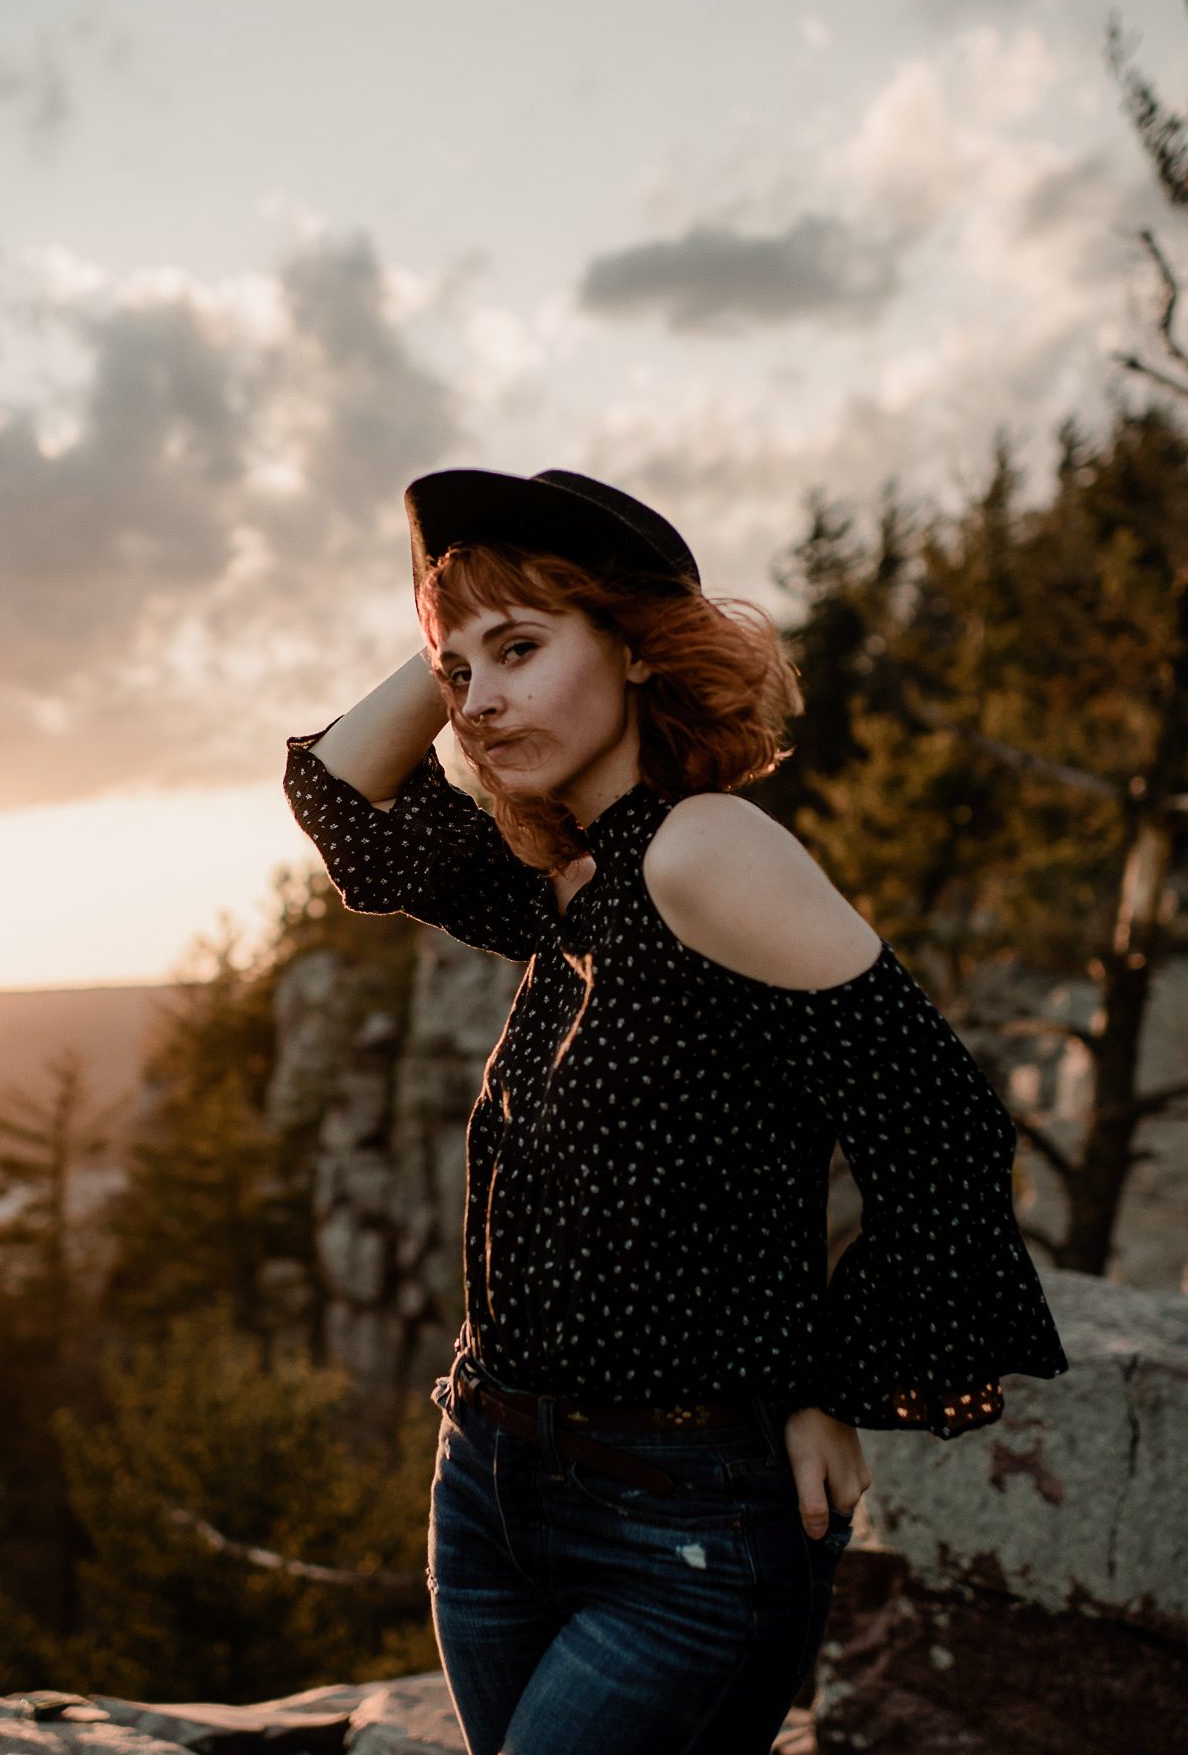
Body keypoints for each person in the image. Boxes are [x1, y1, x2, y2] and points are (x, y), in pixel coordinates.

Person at [282, 466, 1069, 1755]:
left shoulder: (707, 849)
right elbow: (346, 802)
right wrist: (462, 625)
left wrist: (830, 1385)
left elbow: (942, 1128)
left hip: (682, 1521)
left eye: (523, 651)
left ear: (640, 650)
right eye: (460, 672)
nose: (479, 702)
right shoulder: (570, 886)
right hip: (489, 1487)